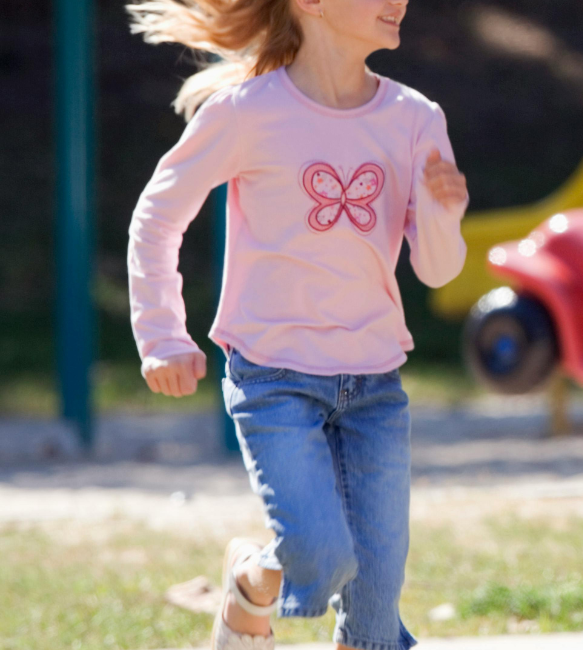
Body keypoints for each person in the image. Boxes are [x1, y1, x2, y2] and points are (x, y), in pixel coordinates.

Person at [125, 0, 468, 649]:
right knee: (319, 555)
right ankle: (250, 583)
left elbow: (436, 269)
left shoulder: (416, 119)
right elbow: (158, 217)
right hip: (274, 378)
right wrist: (163, 334)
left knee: (373, 615)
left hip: (375, 386)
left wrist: (445, 213)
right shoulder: (246, 113)